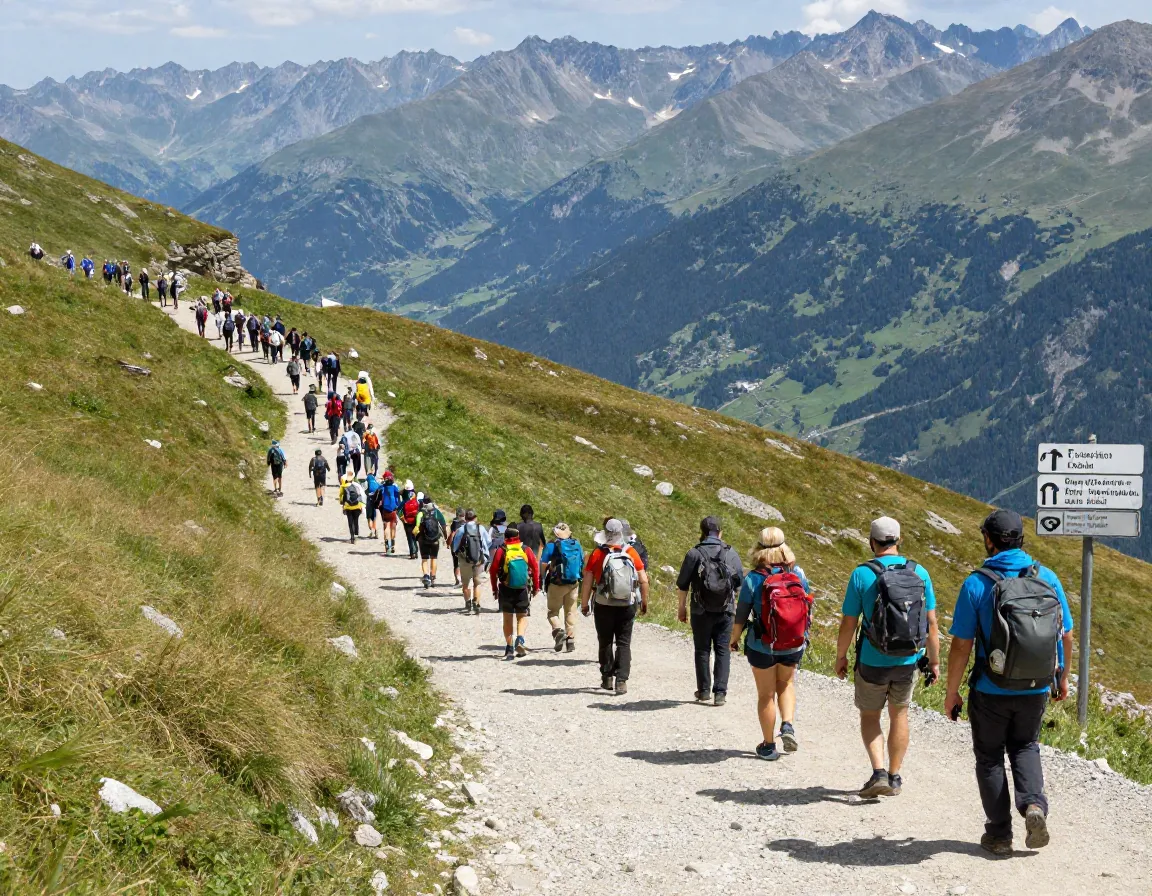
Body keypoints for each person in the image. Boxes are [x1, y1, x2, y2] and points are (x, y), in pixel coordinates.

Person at [944, 509, 1073, 857]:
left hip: (990, 688)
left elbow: (961, 645)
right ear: (1020, 539)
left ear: (989, 540)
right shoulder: (1046, 576)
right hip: (1035, 685)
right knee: (1026, 745)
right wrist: (1063, 676)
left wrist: (952, 690)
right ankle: (1033, 806)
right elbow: (1066, 633)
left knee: (989, 758)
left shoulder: (977, 583)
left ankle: (1000, 835)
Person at [835, 517, 940, 798]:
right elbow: (931, 624)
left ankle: (878, 772)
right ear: (898, 540)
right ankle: (894, 776)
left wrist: (841, 656)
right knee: (900, 714)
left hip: (872, 658)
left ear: (872, 542)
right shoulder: (921, 573)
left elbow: (848, 622)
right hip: (908, 659)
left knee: (870, 715)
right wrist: (934, 661)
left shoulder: (862, 574)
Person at [730, 528, 812, 760]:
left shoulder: (754, 578)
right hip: (794, 643)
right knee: (785, 683)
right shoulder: (797, 573)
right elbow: (807, 606)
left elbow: (741, 615)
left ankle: (768, 745)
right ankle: (787, 725)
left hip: (762, 645)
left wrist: (734, 639)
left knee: (766, 695)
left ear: (758, 548)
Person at [676, 516, 745, 706]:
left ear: (703, 531)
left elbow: (683, 584)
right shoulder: (731, 554)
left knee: (702, 649)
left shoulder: (694, 553)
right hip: (726, 610)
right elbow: (739, 583)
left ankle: (704, 690)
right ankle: (720, 693)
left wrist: (682, 608)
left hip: (700, 610)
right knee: (723, 649)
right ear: (720, 532)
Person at [580, 519, 648, 695]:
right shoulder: (631, 552)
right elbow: (643, 579)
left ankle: (607, 678)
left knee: (605, 641)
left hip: (603, 604)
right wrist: (644, 602)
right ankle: (622, 681)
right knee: (624, 643)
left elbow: (587, 581)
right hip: (627, 604)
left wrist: (585, 603)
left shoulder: (597, 554)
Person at [490, 524, 541, 659]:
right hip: (522, 589)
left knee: (507, 618)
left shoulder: (501, 550)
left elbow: (493, 570)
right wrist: (536, 587)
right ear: (518, 537)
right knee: (522, 616)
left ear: (505, 538)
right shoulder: (525, 549)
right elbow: (535, 568)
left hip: (506, 588)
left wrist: (494, 589)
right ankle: (520, 639)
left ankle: (509, 647)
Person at [539, 522, 585, 653]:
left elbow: (543, 563)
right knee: (570, 611)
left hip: (557, 583)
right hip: (573, 582)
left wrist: (542, 576)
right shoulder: (576, 545)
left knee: (553, 612)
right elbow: (582, 562)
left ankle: (558, 631)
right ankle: (570, 640)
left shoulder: (552, 545)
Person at [452, 509, 491, 615]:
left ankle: (468, 602)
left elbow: (455, 546)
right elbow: (488, 542)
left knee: (465, 584)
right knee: (477, 583)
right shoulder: (481, 528)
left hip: (465, 560)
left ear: (465, 518)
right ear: (475, 517)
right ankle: (476, 603)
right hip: (479, 560)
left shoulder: (461, 529)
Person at [415, 499, 449, 588]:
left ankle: (426, 576)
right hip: (435, 539)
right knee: (434, 558)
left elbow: (416, 526)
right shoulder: (437, 512)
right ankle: (433, 577)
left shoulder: (420, 513)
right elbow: (444, 525)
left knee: (424, 559)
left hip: (423, 539)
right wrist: (445, 537)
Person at [377, 471, 402, 555]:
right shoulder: (395, 487)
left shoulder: (382, 487)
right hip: (393, 509)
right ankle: (393, 545)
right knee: (393, 526)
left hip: (385, 509)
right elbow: (398, 498)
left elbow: (378, 495)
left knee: (386, 527)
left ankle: (387, 545)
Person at [339, 473, 365, 545]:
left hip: (348, 507)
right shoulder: (356, 485)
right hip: (357, 506)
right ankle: (356, 536)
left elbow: (341, 498)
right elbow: (361, 495)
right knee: (356, 521)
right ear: (352, 479)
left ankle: (352, 537)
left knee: (350, 522)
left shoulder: (343, 486)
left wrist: (342, 504)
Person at [401, 483, 421, 559]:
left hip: (407, 522)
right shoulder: (417, 502)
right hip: (415, 521)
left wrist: (403, 519)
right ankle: (416, 551)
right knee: (415, 537)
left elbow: (399, 510)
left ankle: (412, 553)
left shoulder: (404, 502)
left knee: (409, 537)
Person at [448, 507, 466, 586]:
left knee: (456, 563)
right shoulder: (466, 522)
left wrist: (449, 543)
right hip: (465, 545)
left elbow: (452, 534)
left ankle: (457, 580)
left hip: (456, 545)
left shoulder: (455, 522)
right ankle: (463, 579)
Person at [364, 471, 382, 540]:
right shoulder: (376, 482)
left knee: (368, 517)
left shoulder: (367, 481)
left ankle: (372, 530)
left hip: (369, 501)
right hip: (375, 502)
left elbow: (364, 490)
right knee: (374, 517)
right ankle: (375, 530)